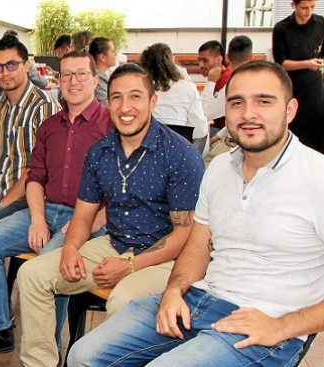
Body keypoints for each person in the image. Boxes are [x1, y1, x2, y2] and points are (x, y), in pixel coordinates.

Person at [68, 60, 324, 367]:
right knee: (83, 355)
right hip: (199, 301)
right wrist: (174, 290)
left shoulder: (316, 176)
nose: (248, 114)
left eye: (264, 101)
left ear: (291, 109)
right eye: (237, 102)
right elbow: (197, 246)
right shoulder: (219, 168)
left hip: (265, 324)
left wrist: (282, 326)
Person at [16, 63, 205, 367]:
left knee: (122, 299)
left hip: (165, 258)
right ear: (108, 102)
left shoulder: (179, 154)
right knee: (32, 275)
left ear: (152, 102)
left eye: (135, 97)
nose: (125, 107)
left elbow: (184, 234)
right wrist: (71, 249)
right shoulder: (100, 151)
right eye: (116, 97)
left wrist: (129, 265)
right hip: (113, 244)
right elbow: (83, 215)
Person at [0, 51, 112, 364]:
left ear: (95, 79)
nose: (73, 81)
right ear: (57, 81)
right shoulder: (49, 126)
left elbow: (121, 185)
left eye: (81, 74)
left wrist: (91, 222)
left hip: (85, 217)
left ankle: (48, 351)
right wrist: (38, 219)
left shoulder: (110, 125)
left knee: (46, 268)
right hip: (44, 208)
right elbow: (35, 177)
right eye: (66, 75)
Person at [0, 34, 60, 235]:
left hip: (29, 201)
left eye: (11, 65)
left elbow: (40, 168)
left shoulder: (44, 108)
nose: (4, 73)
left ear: (27, 65)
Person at [273, 0, 324, 154]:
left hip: (315, 87)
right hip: (292, 86)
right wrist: (306, 64)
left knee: (317, 131)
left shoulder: (321, 23)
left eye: (312, 7)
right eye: (304, 8)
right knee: (294, 129)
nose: (308, 12)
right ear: (293, 5)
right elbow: (281, 63)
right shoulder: (282, 28)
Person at [139, 43, 209, 154]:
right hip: (178, 152)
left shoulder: (139, 88)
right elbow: (200, 128)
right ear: (172, 63)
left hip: (144, 151)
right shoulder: (187, 87)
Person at [202, 36, 253, 165]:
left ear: (226, 58)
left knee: (202, 163)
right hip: (243, 136)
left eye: (204, 60)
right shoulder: (258, 81)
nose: (201, 65)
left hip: (234, 142)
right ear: (251, 57)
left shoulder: (232, 82)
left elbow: (205, 112)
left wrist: (210, 83)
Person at [88, 37, 116, 107]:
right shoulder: (97, 81)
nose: (116, 54)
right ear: (102, 57)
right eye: (113, 51)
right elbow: (105, 108)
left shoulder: (102, 75)